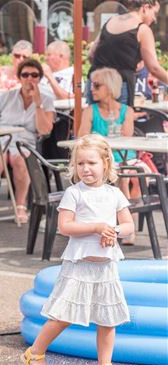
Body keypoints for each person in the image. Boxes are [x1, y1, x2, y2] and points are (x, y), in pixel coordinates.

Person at [22, 134, 133, 365]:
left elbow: (128, 225)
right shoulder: (74, 193)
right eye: (80, 163)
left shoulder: (114, 194)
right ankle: (35, 353)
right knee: (64, 314)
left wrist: (112, 231)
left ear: (105, 162)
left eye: (91, 163)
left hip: (105, 267)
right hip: (80, 265)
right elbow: (65, 226)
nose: (85, 169)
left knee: (108, 319)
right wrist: (96, 227)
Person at [78, 68, 145, 245]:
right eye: (92, 85)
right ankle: (124, 225)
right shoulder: (90, 111)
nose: (92, 89)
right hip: (99, 157)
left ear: (110, 87)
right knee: (122, 175)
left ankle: (126, 223)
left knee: (132, 175)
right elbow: (82, 136)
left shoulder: (126, 110)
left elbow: (127, 136)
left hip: (124, 155)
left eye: (97, 85)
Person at [0, 58, 55, 223]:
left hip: (25, 138)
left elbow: (45, 130)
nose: (30, 79)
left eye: (34, 75)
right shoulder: (6, 97)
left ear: (40, 78)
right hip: (1, 135)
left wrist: (38, 104)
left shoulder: (46, 99)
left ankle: (20, 205)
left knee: (20, 161)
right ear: (19, 77)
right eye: (25, 74)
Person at [87, 0, 168, 107]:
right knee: (119, 123)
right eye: (155, 13)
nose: (154, 19)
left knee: (96, 122)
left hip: (95, 83)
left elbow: (91, 55)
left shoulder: (111, 21)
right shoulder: (143, 29)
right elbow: (153, 68)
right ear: (146, 7)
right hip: (118, 85)